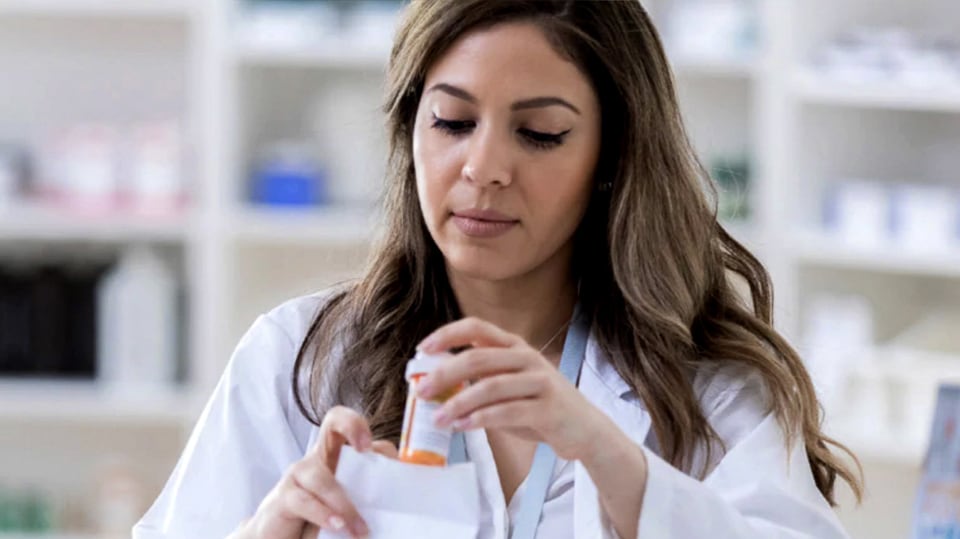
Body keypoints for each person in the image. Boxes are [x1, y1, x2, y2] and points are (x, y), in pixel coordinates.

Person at [133, 1, 863, 538]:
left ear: (612, 159)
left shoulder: (710, 387)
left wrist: (608, 455)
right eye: (451, 122)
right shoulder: (300, 360)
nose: (482, 169)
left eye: (539, 133)